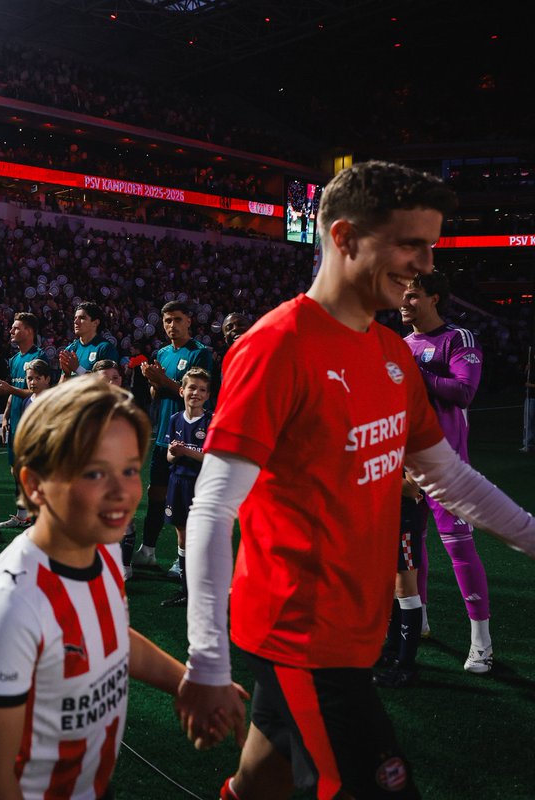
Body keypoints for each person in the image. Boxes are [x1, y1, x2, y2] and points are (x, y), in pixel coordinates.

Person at [178, 161, 535, 800]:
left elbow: (447, 476)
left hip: (353, 627)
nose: (425, 264)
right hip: (301, 634)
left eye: (429, 245)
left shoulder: (391, 353)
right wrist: (206, 662)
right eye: (409, 243)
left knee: (263, 781)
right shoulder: (275, 347)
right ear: (344, 238)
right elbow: (211, 509)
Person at [0, 378, 232, 799]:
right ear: (33, 486)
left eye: (129, 469)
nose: (122, 491)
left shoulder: (99, 547)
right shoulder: (11, 606)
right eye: (93, 472)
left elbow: (108, 635)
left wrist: (187, 681)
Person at [400, 272, 493, 671]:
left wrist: (417, 373)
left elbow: (464, 391)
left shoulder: (459, 339)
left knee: (460, 550)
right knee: (410, 551)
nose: (403, 303)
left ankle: (482, 643)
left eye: (412, 296)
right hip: (406, 468)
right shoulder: (402, 344)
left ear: (434, 298)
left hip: (447, 469)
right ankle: (418, 621)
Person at [128, 301, 213, 574]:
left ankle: (185, 560)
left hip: (191, 437)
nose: (171, 326)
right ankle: (148, 551)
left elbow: (195, 393)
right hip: (165, 435)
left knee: (188, 499)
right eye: (167, 321)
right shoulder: (162, 353)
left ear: (189, 321)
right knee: (156, 494)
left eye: (177, 319)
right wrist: (153, 382)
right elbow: (157, 395)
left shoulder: (200, 354)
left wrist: (161, 381)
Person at [159, 367, 212, 606]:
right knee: (182, 536)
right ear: (181, 391)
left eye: (202, 390)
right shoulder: (174, 419)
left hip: (201, 485)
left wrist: (186, 451)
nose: (196, 393)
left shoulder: (211, 421)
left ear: (208, 395)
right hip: (177, 482)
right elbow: (170, 458)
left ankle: (203, 589)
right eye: (192, 387)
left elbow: (212, 458)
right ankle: (186, 590)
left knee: (200, 537)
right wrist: (174, 453)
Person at [0, 312, 42, 529]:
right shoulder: (15, 359)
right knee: (15, 470)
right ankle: (22, 516)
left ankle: (37, 517)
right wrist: (6, 416)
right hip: (16, 422)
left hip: (32, 425)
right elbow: (13, 391)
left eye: (16, 328)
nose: (11, 331)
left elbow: (39, 391)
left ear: (29, 331)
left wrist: (11, 389)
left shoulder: (39, 357)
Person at [373, 473, 428, 689]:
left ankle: (406, 667)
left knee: (406, 589)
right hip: (385, 515)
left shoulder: (407, 442)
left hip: (404, 520)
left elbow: (413, 488)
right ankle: (392, 650)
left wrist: (368, 475)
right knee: (393, 588)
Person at [59, 300, 121, 378]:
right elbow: (61, 385)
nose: (76, 321)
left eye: (82, 318)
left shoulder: (105, 348)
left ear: (95, 323)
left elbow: (107, 382)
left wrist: (78, 369)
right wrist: (67, 374)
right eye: (75, 318)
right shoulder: (70, 349)